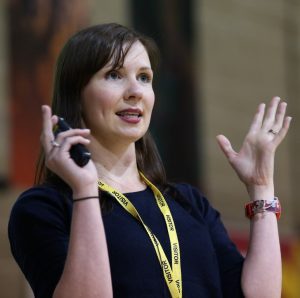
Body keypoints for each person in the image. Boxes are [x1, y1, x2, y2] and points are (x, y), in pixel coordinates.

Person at [8, 23, 291, 298]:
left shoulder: (188, 202)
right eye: (114, 75)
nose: (135, 91)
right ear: (77, 95)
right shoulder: (44, 208)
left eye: (144, 77)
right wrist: (84, 190)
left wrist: (261, 187)